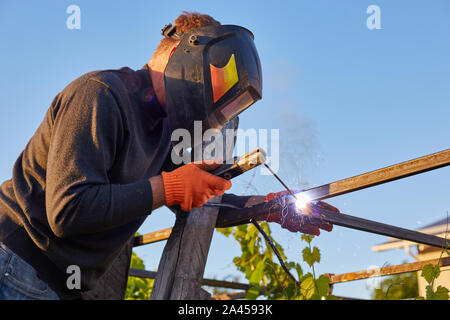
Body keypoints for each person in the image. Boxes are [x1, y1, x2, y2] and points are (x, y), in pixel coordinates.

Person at [0, 12, 336, 300]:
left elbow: (202, 204)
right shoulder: (101, 93)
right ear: (182, 55)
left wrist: (271, 207)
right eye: (212, 88)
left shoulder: (163, 131)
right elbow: (67, 211)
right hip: (15, 260)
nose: (212, 108)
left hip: (58, 285)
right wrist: (169, 187)